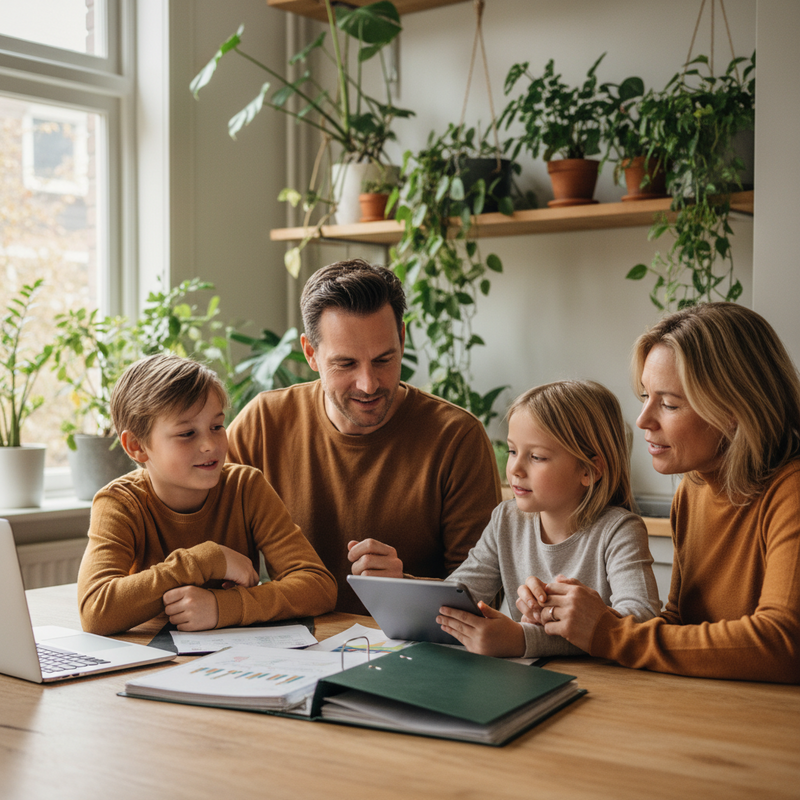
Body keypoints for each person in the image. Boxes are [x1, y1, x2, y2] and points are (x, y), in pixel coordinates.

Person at [519, 303, 800, 683]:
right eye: (645, 397)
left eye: (668, 404)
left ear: (734, 409)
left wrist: (609, 632)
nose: (643, 420)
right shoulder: (693, 490)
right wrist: (571, 616)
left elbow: (782, 643)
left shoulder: (791, 491)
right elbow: (678, 623)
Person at [227, 259, 502, 613]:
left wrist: (404, 587)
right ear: (311, 353)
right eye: (346, 364)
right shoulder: (263, 424)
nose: (368, 384)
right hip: (292, 651)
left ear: (402, 339)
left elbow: (484, 600)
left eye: (383, 359)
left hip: (414, 653)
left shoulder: (456, 438)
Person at [77, 354, 337, 635]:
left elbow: (318, 586)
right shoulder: (119, 503)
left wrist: (222, 607)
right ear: (137, 445)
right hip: (148, 663)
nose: (210, 445)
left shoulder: (246, 487)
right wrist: (205, 560)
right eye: (187, 433)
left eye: (216, 426)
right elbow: (95, 611)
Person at [437, 380, 661, 658]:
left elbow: (641, 620)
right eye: (512, 451)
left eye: (537, 457)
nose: (515, 468)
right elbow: (454, 597)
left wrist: (524, 639)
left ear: (589, 471)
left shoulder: (619, 531)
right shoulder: (506, 520)